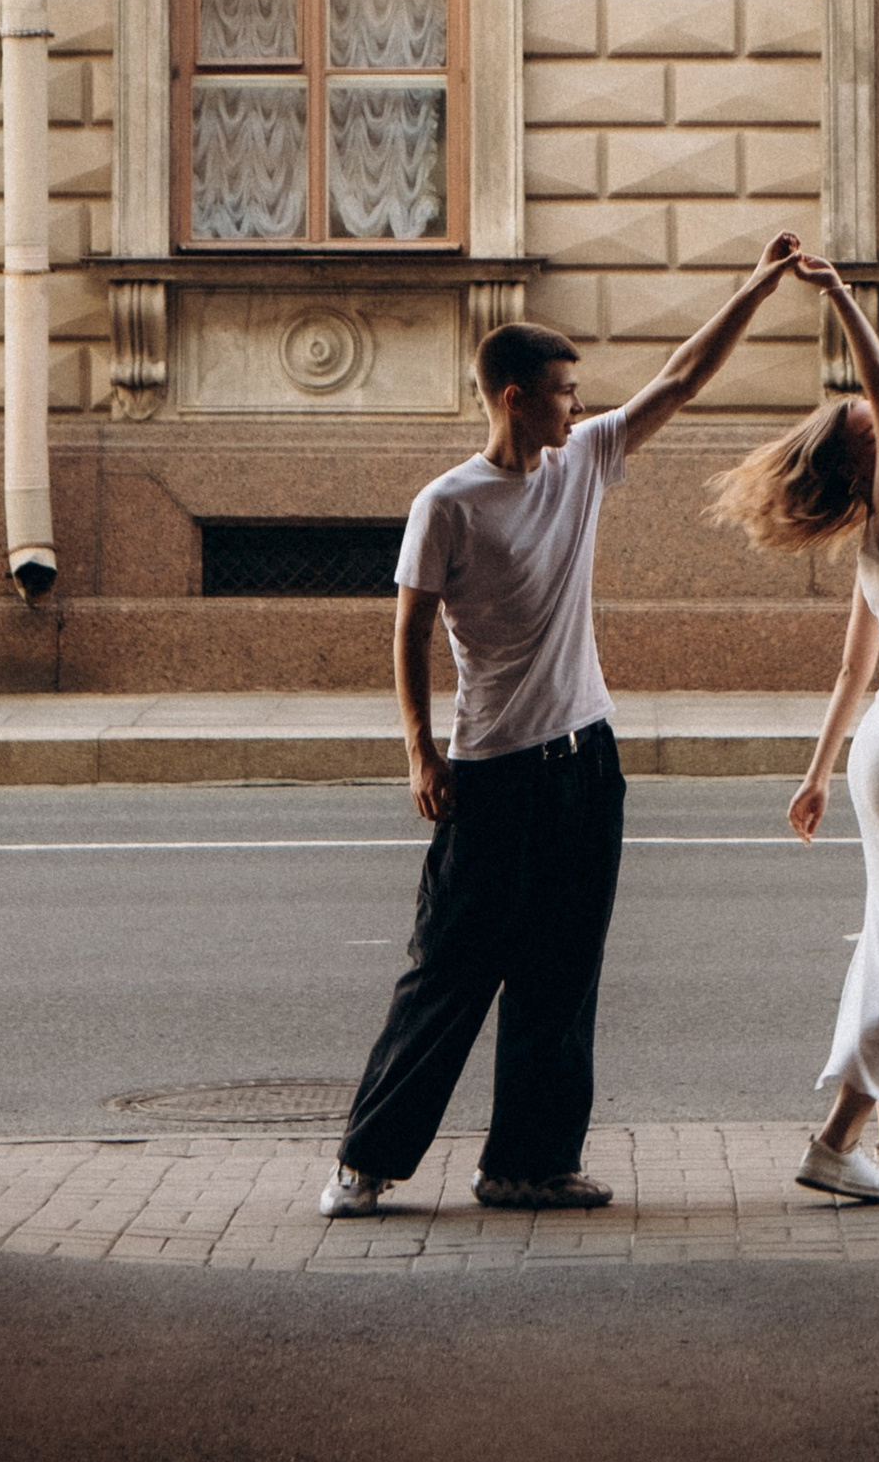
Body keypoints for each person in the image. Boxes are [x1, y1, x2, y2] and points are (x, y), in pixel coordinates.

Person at [320, 236, 805, 1218]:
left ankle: (528, 1165)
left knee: (561, 973)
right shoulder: (447, 504)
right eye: (562, 391)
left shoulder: (582, 459)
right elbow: (408, 627)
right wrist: (419, 750)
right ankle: (365, 1162)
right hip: (491, 772)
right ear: (512, 397)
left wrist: (755, 286)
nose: (578, 405)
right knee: (450, 971)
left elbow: (681, 377)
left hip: (587, 765)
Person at [711, 255, 879, 1204]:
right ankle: (838, 1141)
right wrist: (836, 297)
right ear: (871, 460)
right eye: (875, 432)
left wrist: (818, 772)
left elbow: (853, 669)